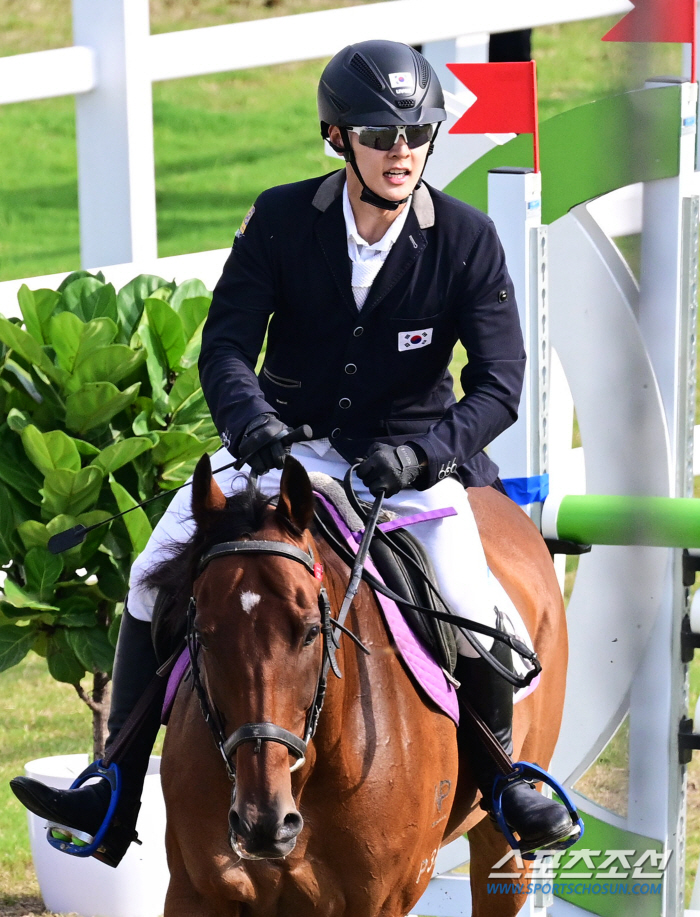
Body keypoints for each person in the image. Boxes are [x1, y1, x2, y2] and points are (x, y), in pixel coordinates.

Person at [11, 39, 578, 865]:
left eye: (417, 134)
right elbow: (226, 349)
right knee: (151, 568)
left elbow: (498, 386)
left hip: (410, 470)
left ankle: (504, 780)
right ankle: (113, 783)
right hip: (284, 456)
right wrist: (253, 427)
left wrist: (422, 456)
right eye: (381, 135)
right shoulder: (280, 220)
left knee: (474, 602)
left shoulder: (466, 239)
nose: (402, 152)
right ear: (337, 137)